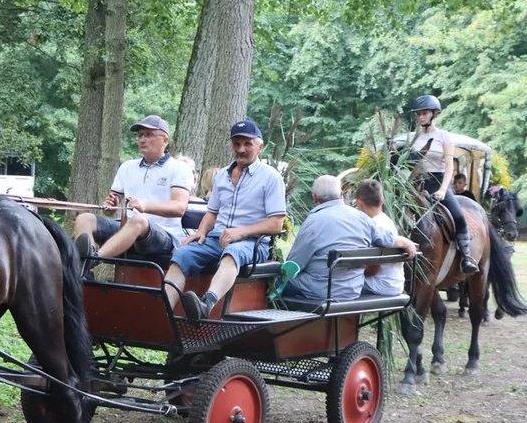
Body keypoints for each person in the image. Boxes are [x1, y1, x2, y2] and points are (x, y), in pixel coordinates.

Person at [167, 120, 286, 320]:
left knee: (233, 251)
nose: (241, 149)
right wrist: (201, 231)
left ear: (260, 146)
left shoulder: (271, 178)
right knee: (182, 254)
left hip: (252, 244)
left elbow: (276, 224)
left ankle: (206, 304)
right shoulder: (222, 175)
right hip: (216, 239)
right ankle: (163, 311)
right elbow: (212, 213)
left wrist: (240, 232)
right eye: (236, 144)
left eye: (247, 144)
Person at [73, 115, 192, 262]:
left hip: (164, 236)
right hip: (126, 230)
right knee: (84, 219)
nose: (142, 139)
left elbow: (179, 208)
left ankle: (92, 260)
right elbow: (111, 207)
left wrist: (145, 206)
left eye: (149, 135)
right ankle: (82, 268)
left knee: (138, 221)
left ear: (165, 140)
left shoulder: (179, 168)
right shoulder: (127, 167)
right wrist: (110, 207)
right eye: (140, 135)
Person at [282, 176, 418, 301]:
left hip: (321, 292)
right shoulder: (363, 218)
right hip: (352, 290)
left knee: (276, 282)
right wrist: (407, 242)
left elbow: (293, 265)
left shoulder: (313, 222)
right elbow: (387, 239)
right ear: (341, 194)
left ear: (315, 198)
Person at [408, 95, 480, 274]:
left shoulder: (444, 137)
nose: (420, 117)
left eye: (423, 113)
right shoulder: (414, 138)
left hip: (439, 181)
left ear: (435, 114)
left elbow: (449, 168)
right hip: (417, 183)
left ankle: (466, 257)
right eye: (418, 114)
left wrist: (442, 190)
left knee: (458, 215)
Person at [353, 179, 406, 296]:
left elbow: (373, 270)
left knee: (342, 284)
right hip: (395, 283)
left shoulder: (373, 226)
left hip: (380, 285)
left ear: (359, 203)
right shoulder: (386, 220)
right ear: (382, 200)